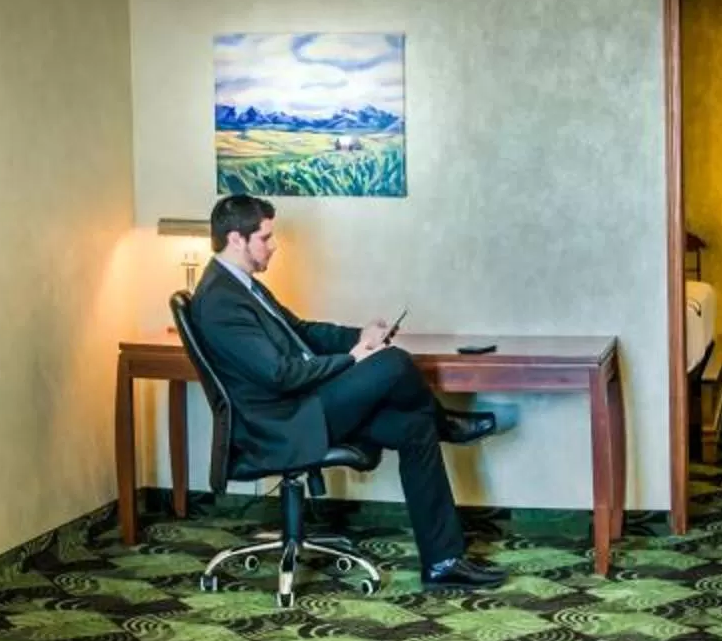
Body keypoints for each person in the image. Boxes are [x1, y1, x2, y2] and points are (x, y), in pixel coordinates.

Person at [186, 194, 504, 588]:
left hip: (303, 407)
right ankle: (449, 425)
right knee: (392, 363)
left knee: (413, 427)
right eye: (266, 238)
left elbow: (301, 332)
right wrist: (354, 359)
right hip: (282, 424)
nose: (274, 245)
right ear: (237, 239)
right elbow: (280, 375)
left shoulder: (244, 286)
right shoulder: (219, 301)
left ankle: (443, 563)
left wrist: (361, 336)